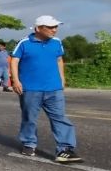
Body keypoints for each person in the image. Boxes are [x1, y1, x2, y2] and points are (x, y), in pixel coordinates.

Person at [11, 15, 81, 163]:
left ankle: (65, 149)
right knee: (29, 118)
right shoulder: (24, 43)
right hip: (30, 88)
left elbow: (59, 59)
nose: (54, 30)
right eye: (50, 27)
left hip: (53, 88)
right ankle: (29, 143)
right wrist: (16, 80)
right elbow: (14, 61)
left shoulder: (57, 42)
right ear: (38, 28)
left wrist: (62, 78)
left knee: (60, 118)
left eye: (55, 27)